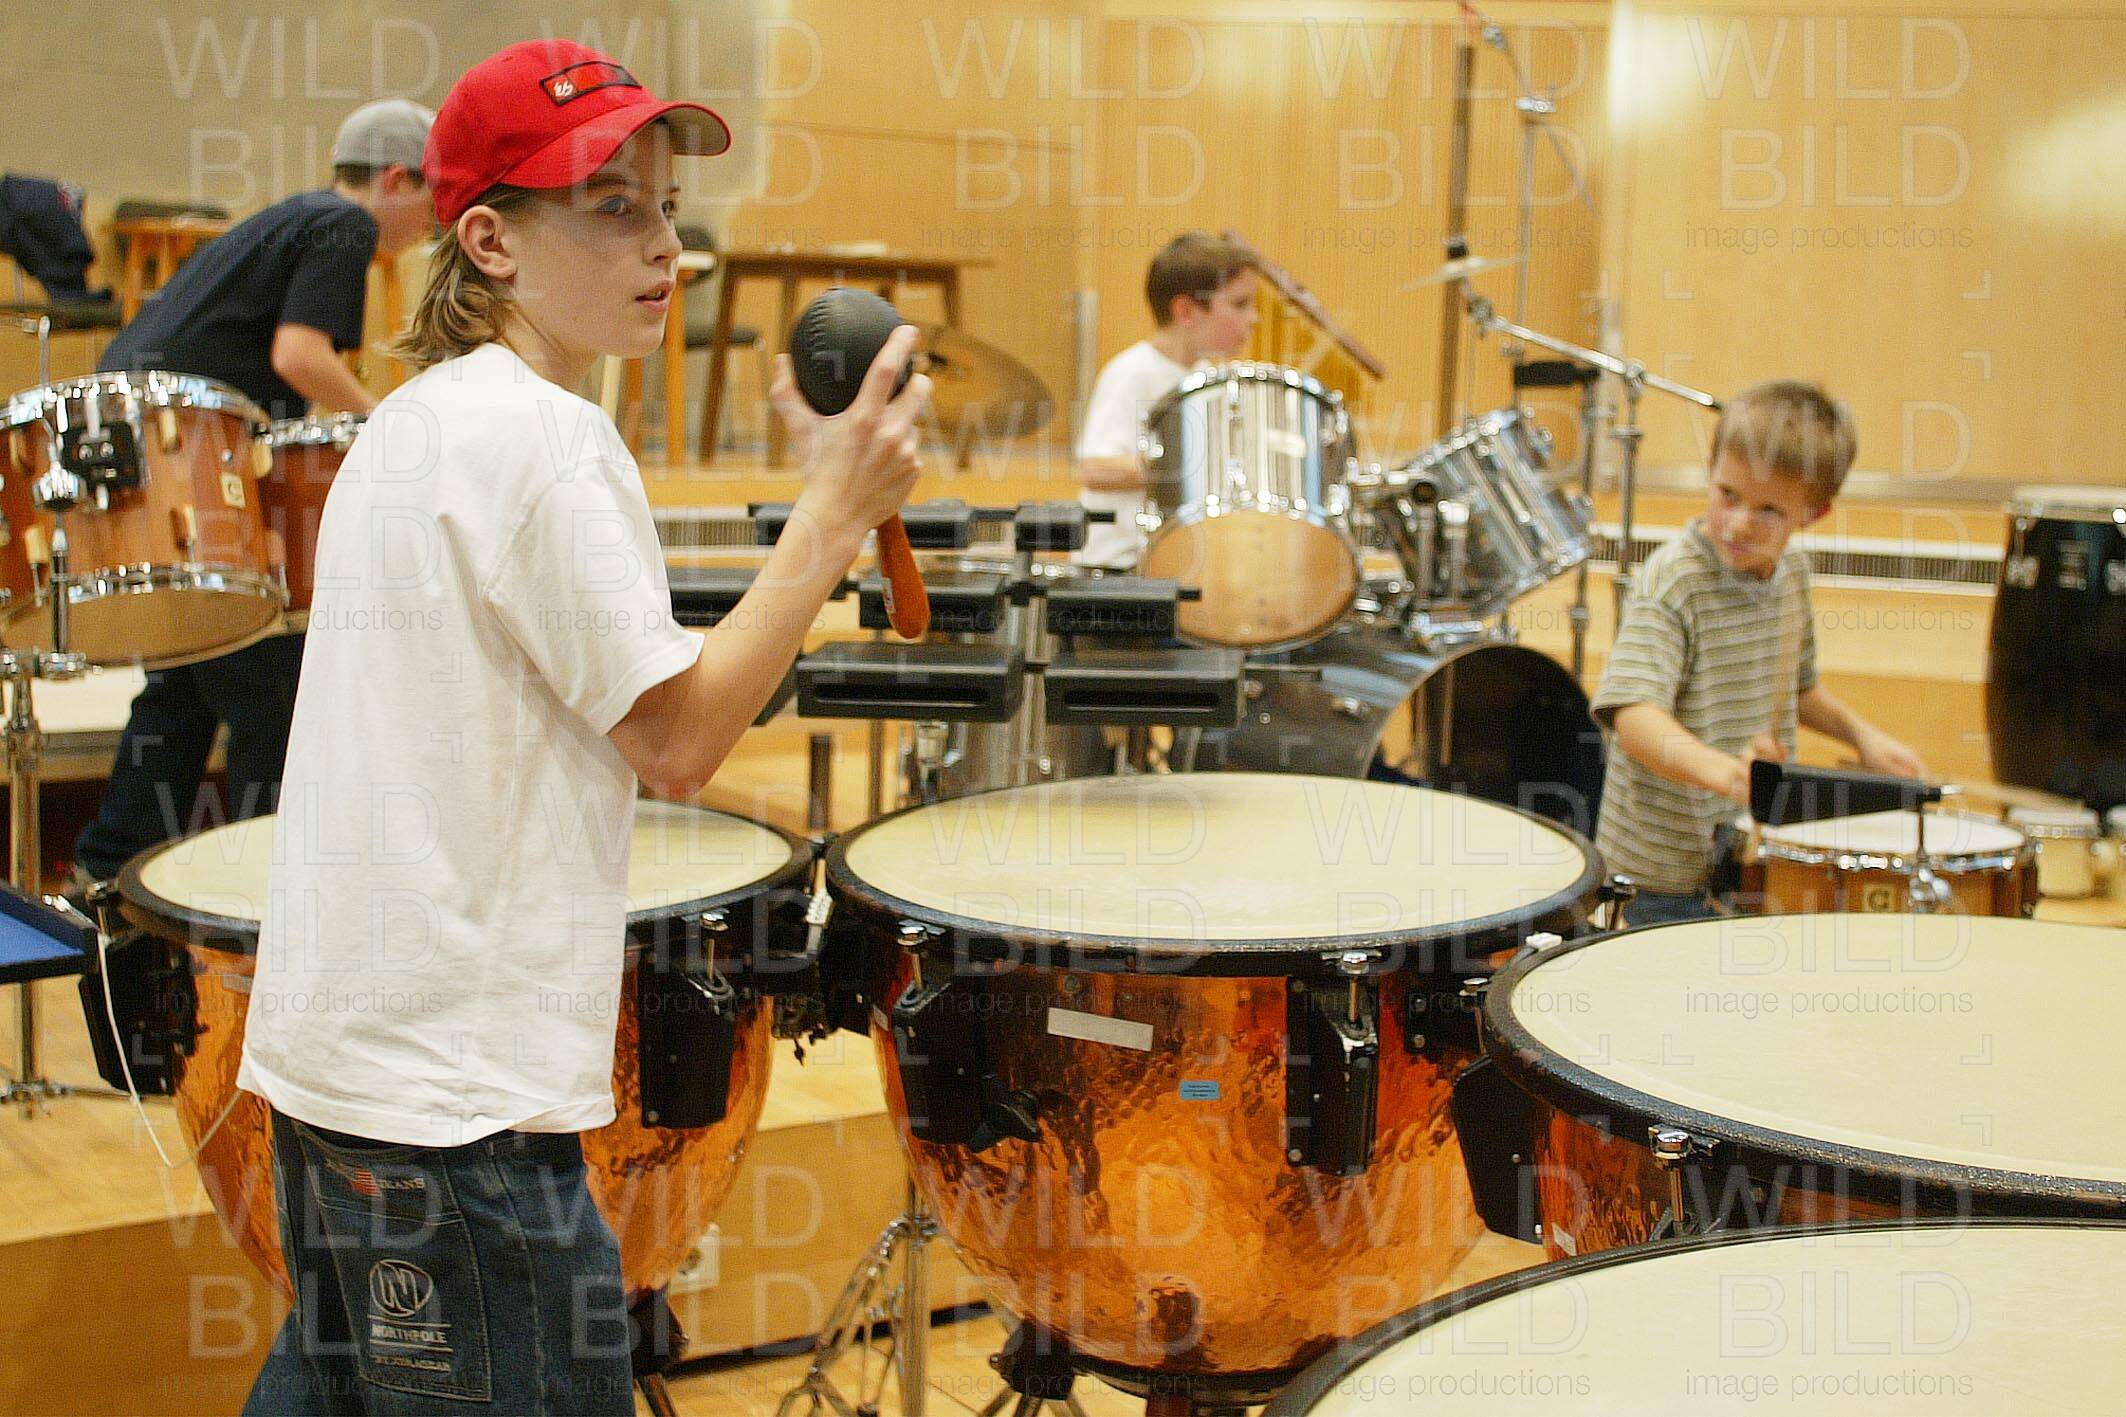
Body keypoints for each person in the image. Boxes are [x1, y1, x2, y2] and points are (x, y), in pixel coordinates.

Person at [234, 40, 927, 1415]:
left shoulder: (414, 421)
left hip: (335, 1071)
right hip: (455, 1109)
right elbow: (676, 743)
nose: (662, 243)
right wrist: (832, 514)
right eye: (612, 208)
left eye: (665, 206)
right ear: (489, 241)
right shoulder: (544, 439)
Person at [70, 99, 435, 886]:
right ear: (397, 180)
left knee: (185, 681)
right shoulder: (345, 225)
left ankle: (105, 875)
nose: (430, 228)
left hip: (146, 447)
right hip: (187, 459)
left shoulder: (290, 217)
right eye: (434, 203)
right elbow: (300, 356)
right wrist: (388, 421)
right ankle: (261, 893)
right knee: (274, 688)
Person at [1590, 379, 1927, 927]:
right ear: (1710, 468)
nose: (1740, 522)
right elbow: (1634, 718)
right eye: (1728, 494)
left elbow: (1799, 688)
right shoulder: (1674, 582)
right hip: (1658, 879)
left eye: (1769, 509)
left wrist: (1862, 736)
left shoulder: (1790, 573)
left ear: (1812, 514)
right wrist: (1729, 776)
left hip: (1745, 859)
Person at [1072, 231, 1258, 569]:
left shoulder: (1206, 375)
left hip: (1171, 565)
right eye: (1240, 304)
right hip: (1115, 572)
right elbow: (1095, 469)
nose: (1253, 318)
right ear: (1186, 311)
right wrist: (1193, 463)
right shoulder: (1130, 373)